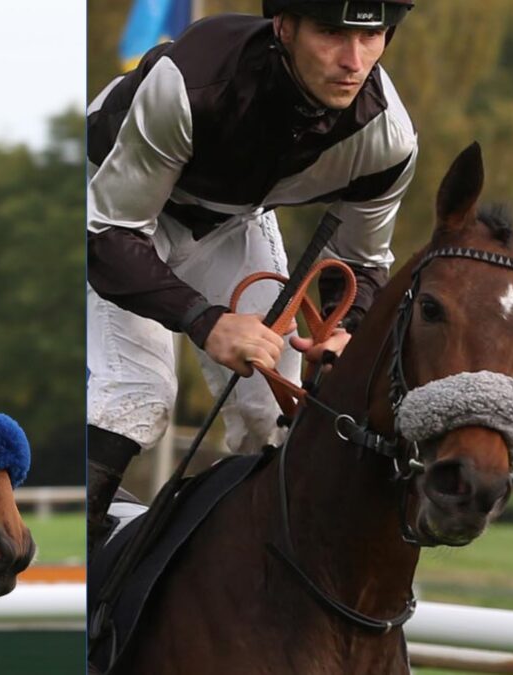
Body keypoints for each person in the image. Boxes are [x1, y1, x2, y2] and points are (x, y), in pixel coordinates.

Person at [86, 0, 417, 549]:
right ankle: (91, 593)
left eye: (372, 35)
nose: (353, 61)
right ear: (284, 26)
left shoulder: (387, 137)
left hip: (230, 223)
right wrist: (206, 321)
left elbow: (361, 261)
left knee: (271, 409)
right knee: (138, 394)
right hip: (112, 212)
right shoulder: (190, 84)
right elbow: (110, 238)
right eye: (332, 33)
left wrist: (346, 329)